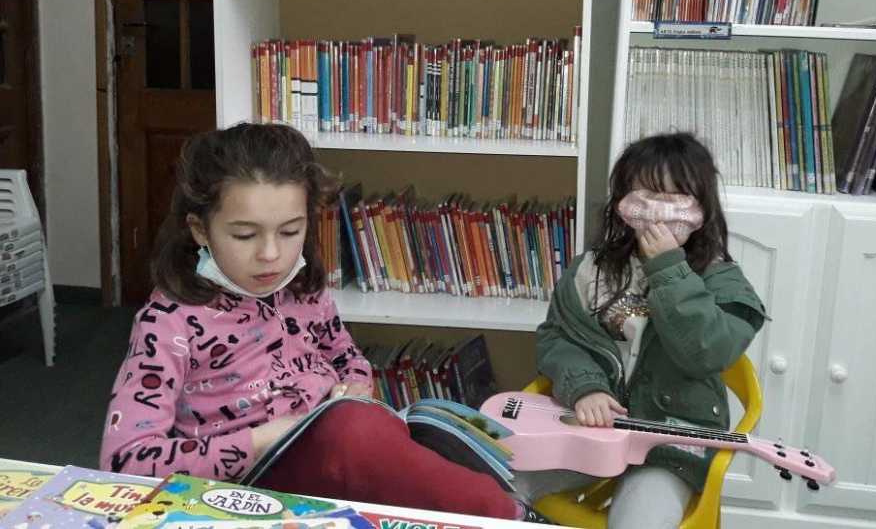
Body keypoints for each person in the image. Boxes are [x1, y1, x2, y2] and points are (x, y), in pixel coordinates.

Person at [99, 122, 550, 523]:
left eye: (291, 231)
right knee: (356, 437)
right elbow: (125, 462)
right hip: (250, 489)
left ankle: (498, 509)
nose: (271, 255)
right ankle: (513, 516)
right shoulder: (168, 323)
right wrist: (262, 439)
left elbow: (349, 359)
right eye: (244, 235)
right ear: (200, 229)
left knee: (415, 431)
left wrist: (351, 388)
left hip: (335, 458)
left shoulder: (303, 290)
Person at [512, 132, 768, 529]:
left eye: (675, 196)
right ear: (622, 204)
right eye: (646, 194)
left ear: (702, 207)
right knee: (497, 482)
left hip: (670, 447)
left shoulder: (723, 282)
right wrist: (585, 385)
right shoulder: (590, 272)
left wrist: (668, 270)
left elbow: (708, 351)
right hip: (592, 433)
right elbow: (557, 336)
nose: (659, 210)